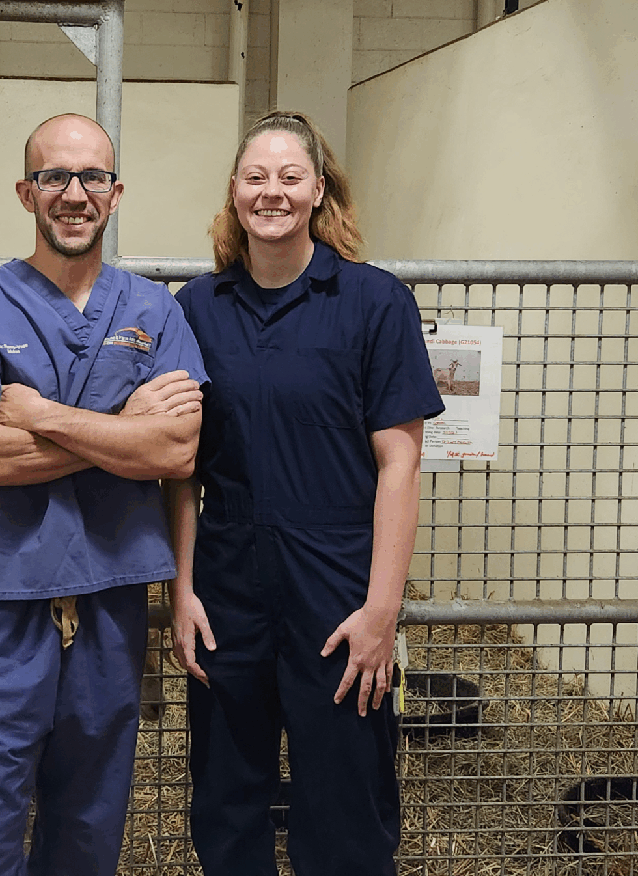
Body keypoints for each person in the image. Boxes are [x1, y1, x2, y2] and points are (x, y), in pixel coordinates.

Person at [0, 113, 208, 876]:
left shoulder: (153, 310)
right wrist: (122, 434)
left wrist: (46, 418)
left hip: (114, 604)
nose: (73, 193)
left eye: (92, 178)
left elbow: (176, 447)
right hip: (4, 600)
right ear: (26, 192)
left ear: (115, 194)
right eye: (55, 176)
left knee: (88, 828)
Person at [166, 111, 445, 876]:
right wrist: (182, 589)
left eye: (291, 177)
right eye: (256, 176)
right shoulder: (194, 309)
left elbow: (399, 464)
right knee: (226, 800)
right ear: (234, 190)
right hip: (227, 585)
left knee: (345, 803)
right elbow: (180, 469)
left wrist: (382, 610)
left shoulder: (374, 303)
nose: (273, 192)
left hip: (337, 589)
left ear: (319, 190)